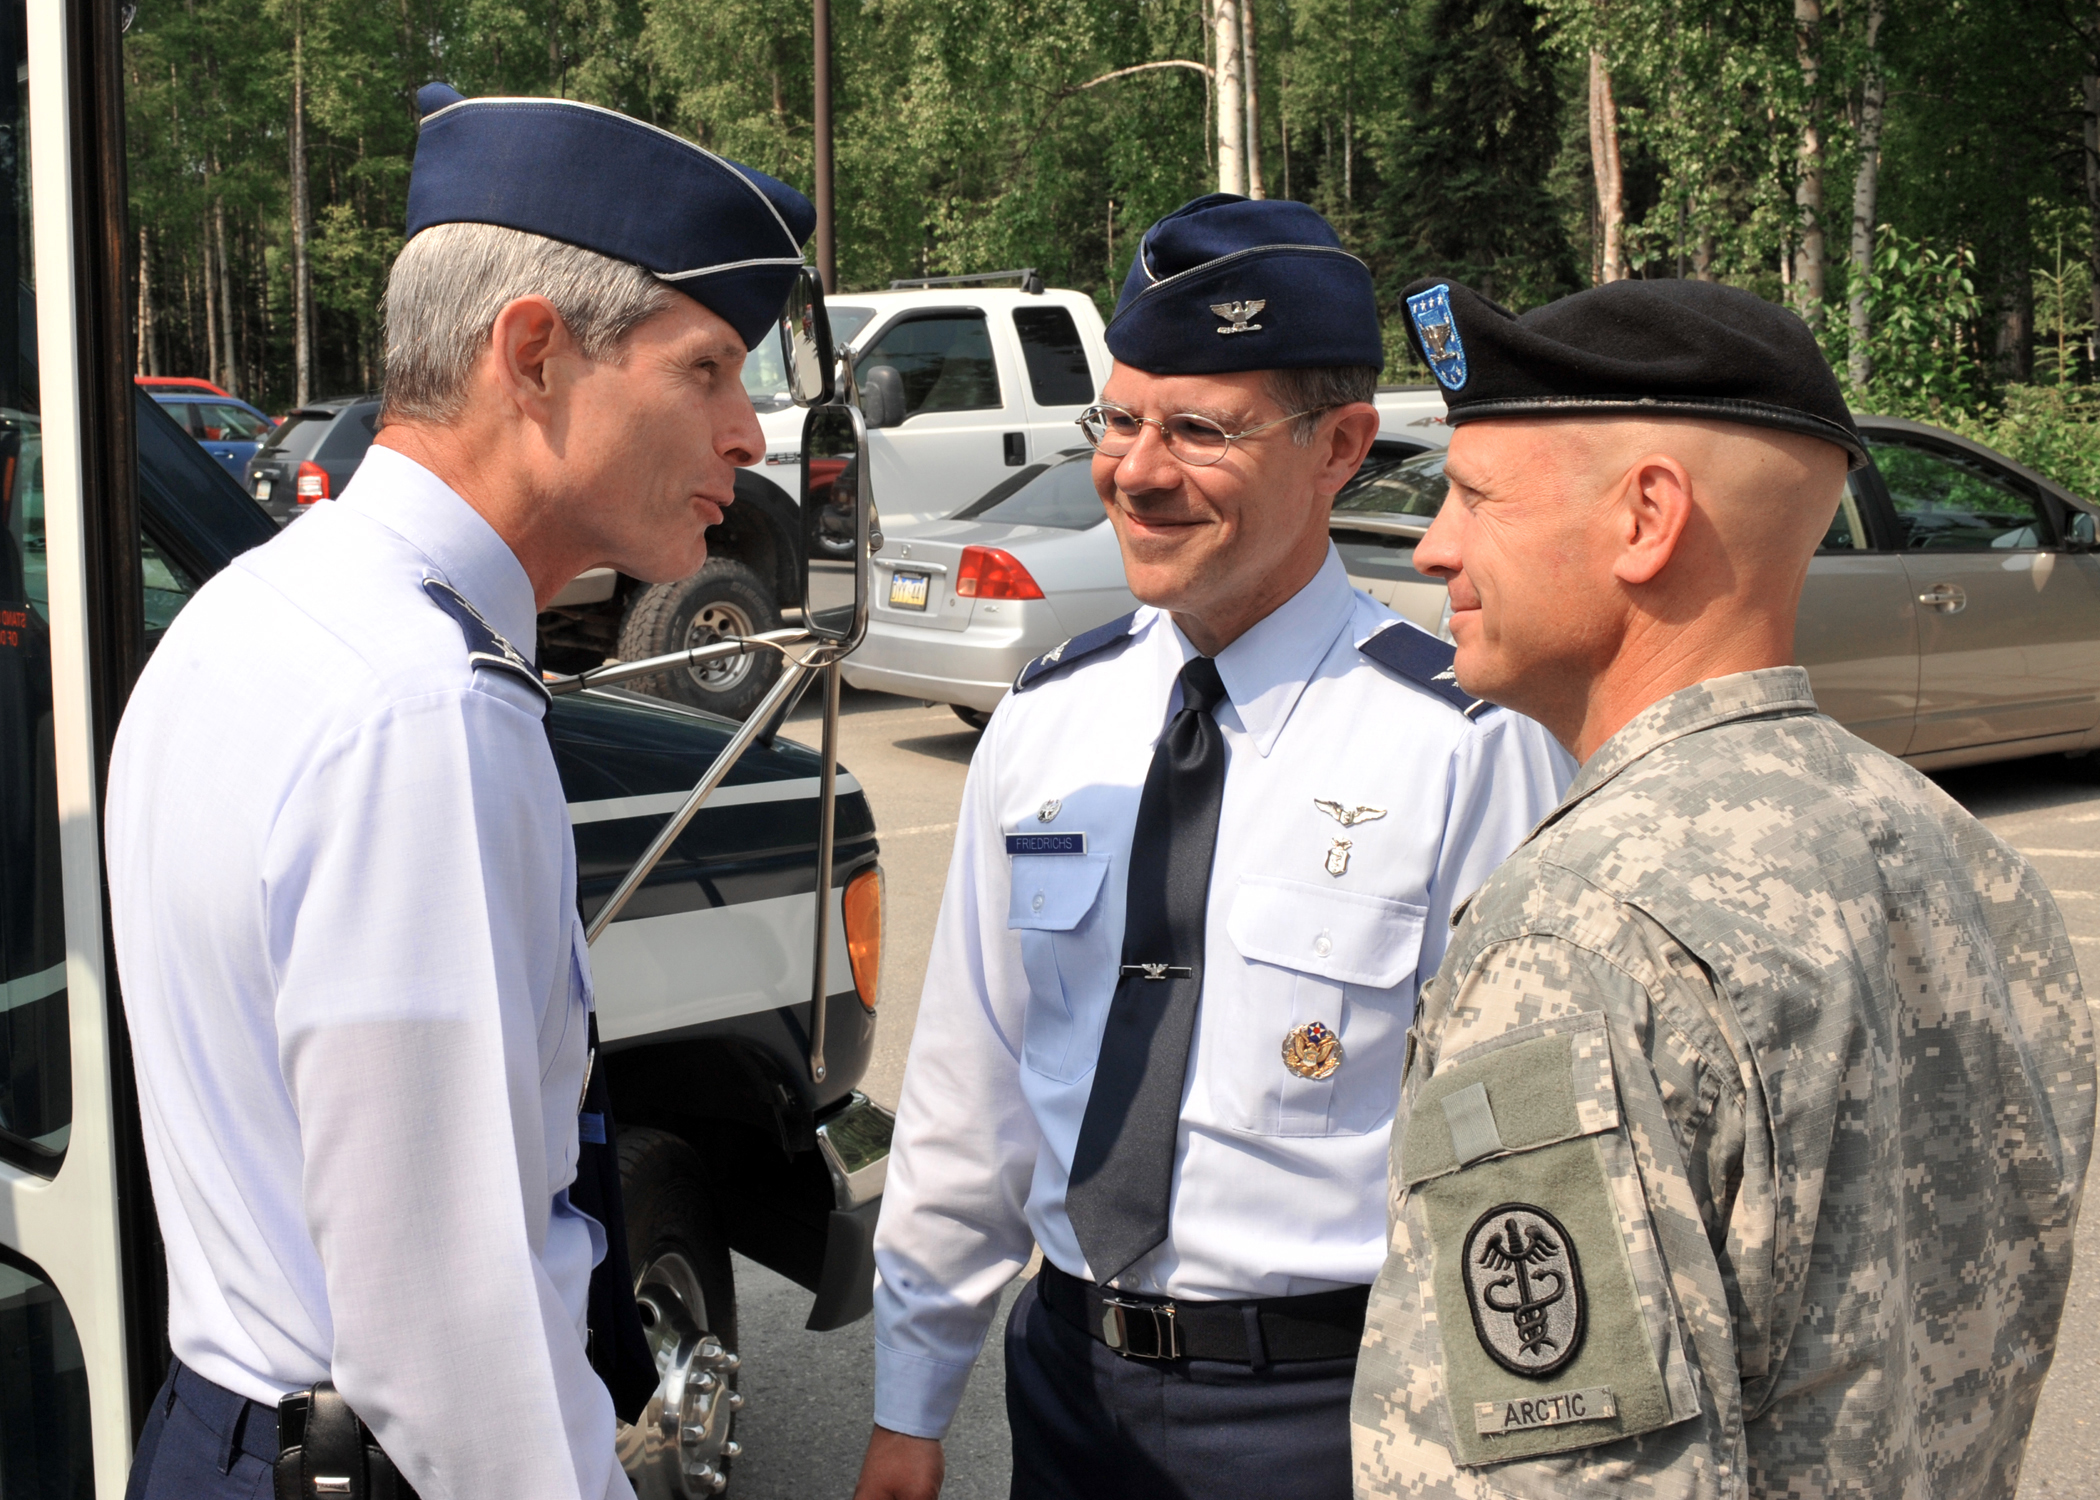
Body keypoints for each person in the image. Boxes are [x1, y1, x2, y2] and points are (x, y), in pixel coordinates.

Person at [106, 84, 815, 1500]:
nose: (749, 432)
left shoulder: (264, 612)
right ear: (535, 353)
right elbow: (448, 1330)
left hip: (231, 1431)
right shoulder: (422, 706)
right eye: (709, 369)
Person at [852, 195, 1572, 1500]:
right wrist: (913, 1402)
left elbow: (1525, 1150)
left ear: (1341, 445)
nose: (1136, 471)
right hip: (1067, 1386)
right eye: (1119, 423)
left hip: (1331, 1414)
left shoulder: (1465, 745)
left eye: (1198, 430)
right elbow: (975, 1087)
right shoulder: (1048, 719)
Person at [1350, 277, 2098, 1500]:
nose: (1435, 543)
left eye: (1474, 496)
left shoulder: (1577, 929)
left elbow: (1563, 1472)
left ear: (1647, 517)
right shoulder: (1954, 848)